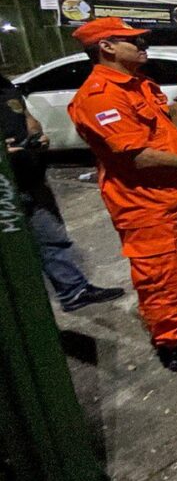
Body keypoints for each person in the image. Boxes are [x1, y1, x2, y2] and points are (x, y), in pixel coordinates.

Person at [67, 18, 177, 371]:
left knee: (176, 269)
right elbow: (136, 155)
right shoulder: (100, 96)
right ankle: (176, 346)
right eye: (135, 41)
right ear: (106, 47)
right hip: (143, 204)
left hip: (167, 197)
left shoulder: (137, 84)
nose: (144, 46)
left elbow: (168, 126)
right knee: (159, 275)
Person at [1, 74, 124, 312]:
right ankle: (24, 311)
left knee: (53, 238)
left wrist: (37, 135)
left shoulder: (5, 86)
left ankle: (73, 291)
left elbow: (27, 118)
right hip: (4, 189)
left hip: (31, 177)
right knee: (13, 254)